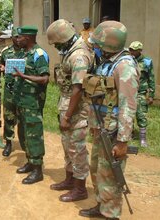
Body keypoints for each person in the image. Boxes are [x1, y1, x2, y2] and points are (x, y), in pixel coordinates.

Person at [80, 21, 139, 220]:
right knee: (97, 170)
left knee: (111, 176)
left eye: (98, 44)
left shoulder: (125, 66)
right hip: (101, 127)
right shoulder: (106, 63)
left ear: (109, 45)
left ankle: (110, 214)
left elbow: (128, 106)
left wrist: (122, 141)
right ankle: (101, 205)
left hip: (113, 132)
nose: (94, 47)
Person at [46, 19, 91, 201]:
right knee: (68, 146)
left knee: (77, 149)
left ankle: (80, 189)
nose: (56, 46)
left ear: (64, 39)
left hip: (76, 112)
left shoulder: (78, 55)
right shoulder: (70, 51)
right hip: (67, 107)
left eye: (56, 43)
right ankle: (70, 180)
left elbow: (78, 88)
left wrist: (67, 115)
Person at [12, 26, 50, 184]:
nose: (17, 39)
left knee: (34, 135)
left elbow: (45, 79)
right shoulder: (23, 53)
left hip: (33, 102)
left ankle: (37, 170)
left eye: (19, 37)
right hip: (22, 101)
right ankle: (30, 161)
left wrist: (23, 75)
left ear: (27, 38)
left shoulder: (39, 54)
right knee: (25, 134)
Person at [0, 28, 22, 156]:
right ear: (11, 38)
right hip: (9, 88)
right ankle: (8, 142)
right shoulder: (6, 52)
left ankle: (24, 142)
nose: (18, 39)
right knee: (8, 116)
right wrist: (2, 68)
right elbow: (1, 64)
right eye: (15, 37)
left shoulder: (27, 51)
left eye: (20, 37)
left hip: (23, 89)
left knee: (23, 116)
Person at [129, 41, 155, 147]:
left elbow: (151, 79)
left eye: (134, 50)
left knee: (141, 114)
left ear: (140, 51)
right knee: (128, 113)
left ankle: (143, 139)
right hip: (129, 91)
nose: (131, 52)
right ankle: (129, 134)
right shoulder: (128, 61)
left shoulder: (147, 62)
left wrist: (151, 95)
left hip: (140, 92)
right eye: (131, 49)